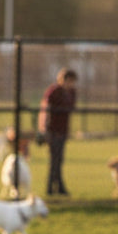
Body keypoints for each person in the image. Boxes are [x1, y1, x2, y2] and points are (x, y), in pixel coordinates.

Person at [38, 68, 78, 196]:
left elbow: (71, 108)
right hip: (52, 131)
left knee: (59, 160)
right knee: (54, 160)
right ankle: (51, 188)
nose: (71, 84)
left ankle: (58, 187)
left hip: (63, 130)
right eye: (70, 81)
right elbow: (45, 111)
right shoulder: (54, 91)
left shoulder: (71, 92)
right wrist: (44, 129)